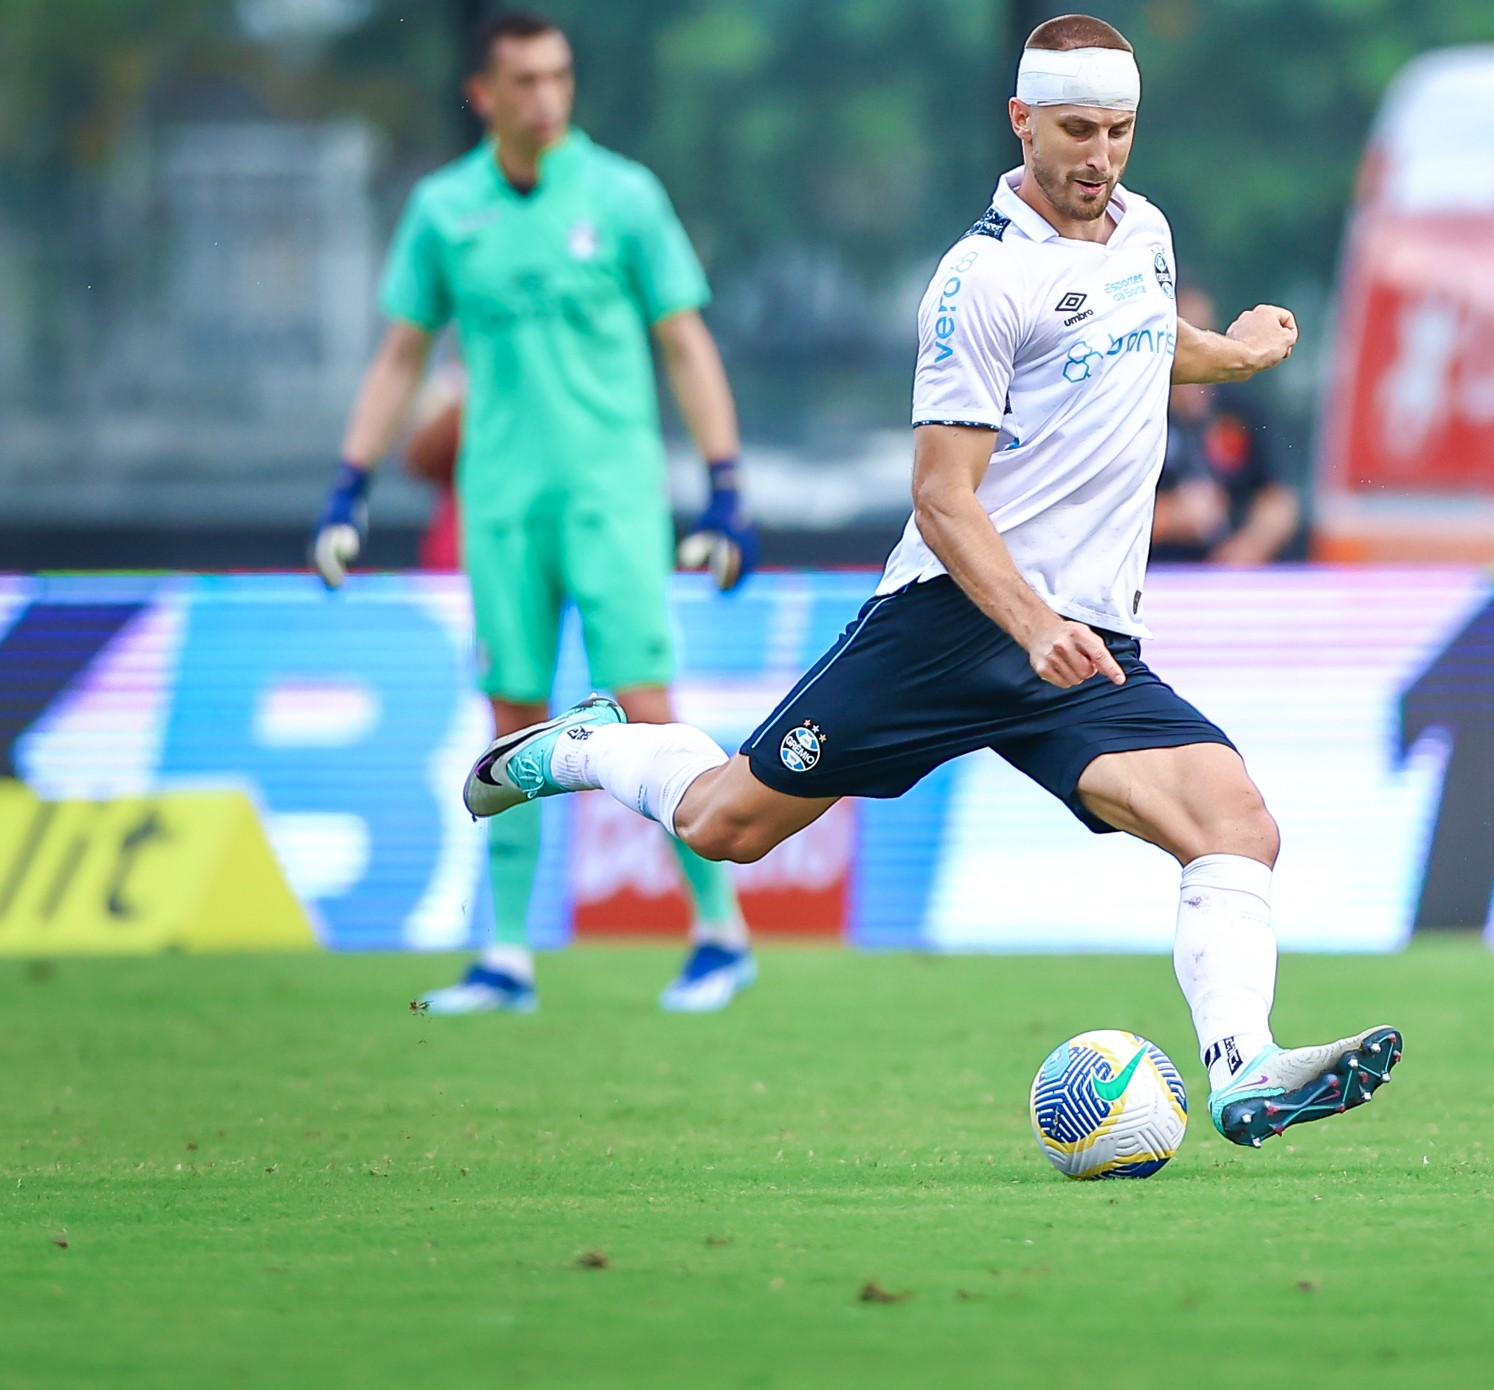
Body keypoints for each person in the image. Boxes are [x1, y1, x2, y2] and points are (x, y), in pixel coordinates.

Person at [457, 15, 1401, 1150]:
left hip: (1085, 640)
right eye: (1075, 131)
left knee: (1235, 821)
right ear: (1020, 120)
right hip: (951, 624)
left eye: (1117, 130)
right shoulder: (978, 278)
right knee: (727, 824)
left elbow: (1138, 333)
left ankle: (1242, 1067)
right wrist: (1029, 621)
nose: (1099, 156)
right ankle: (581, 747)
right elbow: (941, 497)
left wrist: (1228, 352)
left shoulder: (1141, 232)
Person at [311, 11, 761, 1014]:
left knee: (644, 709)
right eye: (522, 80)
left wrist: (726, 485)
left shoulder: (624, 195)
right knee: (512, 720)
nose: (546, 97)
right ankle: (507, 956)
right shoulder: (442, 209)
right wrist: (350, 484)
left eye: (558, 76)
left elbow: (685, 341)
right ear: (483, 94)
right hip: (501, 505)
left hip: (611, 498)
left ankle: (718, 933)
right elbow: (400, 355)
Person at [1151, 286, 1300, 563]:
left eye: (1205, 333)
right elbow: (1097, 516)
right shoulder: (1135, 410)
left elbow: (1279, 502)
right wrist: (1169, 518)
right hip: (1153, 579)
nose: (1198, 348)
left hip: (1230, 586)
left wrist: (1247, 548)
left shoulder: (1240, 410)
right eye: (1184, 339)